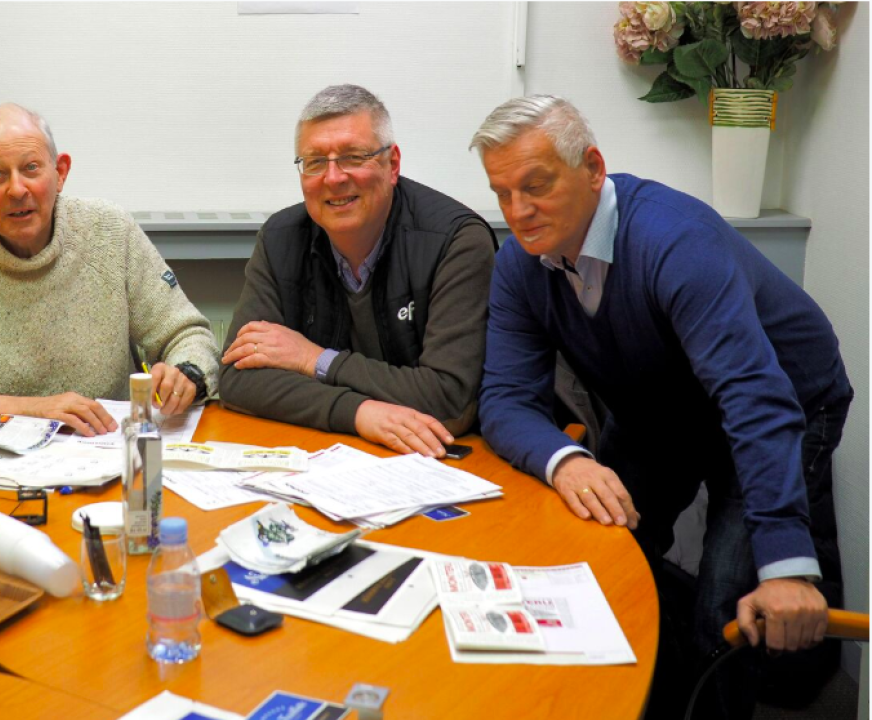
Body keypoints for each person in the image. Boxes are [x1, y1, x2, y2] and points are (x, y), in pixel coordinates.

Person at [472, 95, 850, 717]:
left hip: (782, 403)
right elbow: (505, 398)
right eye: (502, 192)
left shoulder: (675, 241)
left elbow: (753, 398)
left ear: (592, 168)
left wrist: (784, 567)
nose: (518, 211)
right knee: (595, 560)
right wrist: (565, 460)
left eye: (535, 186)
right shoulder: (519, 263)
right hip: (659, 409)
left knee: (726, 606)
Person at [0, 104, 218, 434]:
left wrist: (186, 374)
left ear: (60, 173)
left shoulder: (111, 232)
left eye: (31, 169)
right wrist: (29, 410)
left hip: (106, 447)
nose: (17, 189)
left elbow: (187, 335)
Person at [219, 84, 495, 457]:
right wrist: (360, 413)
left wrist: (312, 360)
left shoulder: (455, 242)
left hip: (437, 463)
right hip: (329, 456)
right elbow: (238, 378)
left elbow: (449, 400)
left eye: (352, 157)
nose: (333, 178)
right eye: (315, 161)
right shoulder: (281, 238)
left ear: (392, 164)